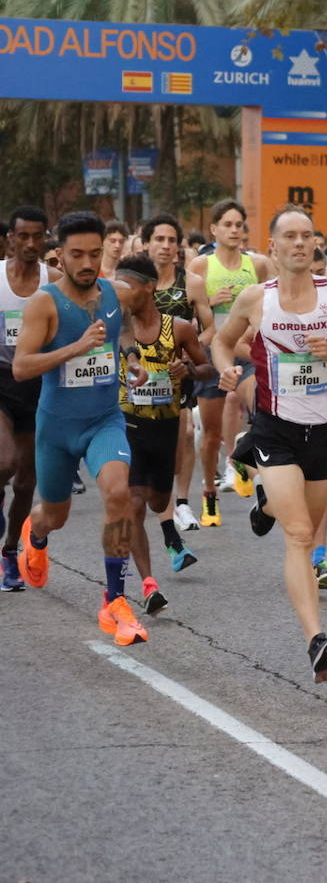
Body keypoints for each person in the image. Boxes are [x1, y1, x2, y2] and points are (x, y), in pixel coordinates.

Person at [212, 205, 327, 682]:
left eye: (308, 236)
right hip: (274, 429)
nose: (301, 244)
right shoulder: (255, 299)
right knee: (301, 535)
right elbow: (221, 342)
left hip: (324, 433)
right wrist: (226, 367)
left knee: (299, 516)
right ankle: (316, 640)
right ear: (273, 247)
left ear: (317, 245)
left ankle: (264, 505)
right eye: (290, 236)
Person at [12, 212, 149, 644]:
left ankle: (115, 600)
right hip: (57, 427)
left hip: (104, 419)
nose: (88, 262)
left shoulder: (114, 292)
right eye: (77, 255)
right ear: (61, 255)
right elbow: (21, 367)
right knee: (55, 515)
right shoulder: (44, 303)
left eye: (94, 253)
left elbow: (120, 329)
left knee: (118, 493)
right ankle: (34, 536)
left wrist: (130, 358)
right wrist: (75, 346)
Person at [115, 255, 214, 612]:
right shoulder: (115, 327)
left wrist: (186, 368)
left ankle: (166, 534)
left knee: (158, 501)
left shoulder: (180, 328)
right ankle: (148, 583)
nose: (119, 293)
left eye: (125, 286)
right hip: (125, 425)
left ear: (148, 287)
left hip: (165, 426)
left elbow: (207, 368)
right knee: (134, 502)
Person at [188, 199, 272, 507]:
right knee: (210, 433)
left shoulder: (258, 264)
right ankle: (209, 490)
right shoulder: (201, 265)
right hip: (212, 352)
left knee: (259, 412)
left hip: (247, 350)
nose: (234, 230)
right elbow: (187, 310)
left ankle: (241, 458)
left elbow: (273, 300)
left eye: (239, 225)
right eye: (228, 225)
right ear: (214, 229)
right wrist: (210, 300)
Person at [141, 214, 214, 534]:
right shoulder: (130, 282)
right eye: (159, 239)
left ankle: (181, 502)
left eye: (172, 240)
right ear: (146, 244)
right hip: (139, 375)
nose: (166, 246)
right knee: (146, 440)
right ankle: (155, 497)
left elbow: (210, 328)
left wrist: (191, 350)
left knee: (184, 435)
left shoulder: (192, 283)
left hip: (176, 374)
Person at [0, 206, 60, 592]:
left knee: (26, 483)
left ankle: (9, 553)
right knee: (4, 462)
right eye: (23, 236)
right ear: (10, 239)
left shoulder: (53, 281)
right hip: (1, 378)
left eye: (38, 237)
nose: (31, 244)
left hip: (39, 384)